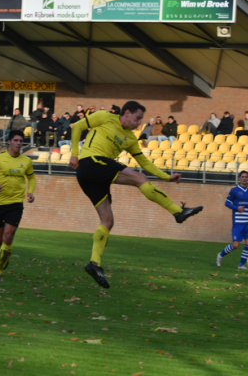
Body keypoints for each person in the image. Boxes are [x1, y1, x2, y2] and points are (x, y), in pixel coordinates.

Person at [68, 102, 204, 288]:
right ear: (127, 113)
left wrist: (166, 177)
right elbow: (77, 126)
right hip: (91, 162)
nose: (139, 123)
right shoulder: (105, 117)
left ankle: (94, 263)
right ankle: (177, 212)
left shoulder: (130, 139)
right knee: (139, 178)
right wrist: (74, 154)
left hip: (93, 176)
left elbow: (145, 162)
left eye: (141, 119)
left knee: (107, 221)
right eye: (138, 118)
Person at [0, 130, 36, 283]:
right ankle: (5, 255)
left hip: (16, 204)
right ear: (9, 142)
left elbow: (32, 179)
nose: (19, 143)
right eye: (16, 140)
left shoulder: (26, 161)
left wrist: (30, 192)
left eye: (21, 141)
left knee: (8, 236)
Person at [216, 171, 248, 270]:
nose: (244, 178)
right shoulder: (234, 190)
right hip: (238, 222)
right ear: (239, 179)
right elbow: (227, 203)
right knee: (235, 245)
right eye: (242, 177)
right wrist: (236, 208)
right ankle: (221, 255)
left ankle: (241, 265)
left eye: (246, 177)